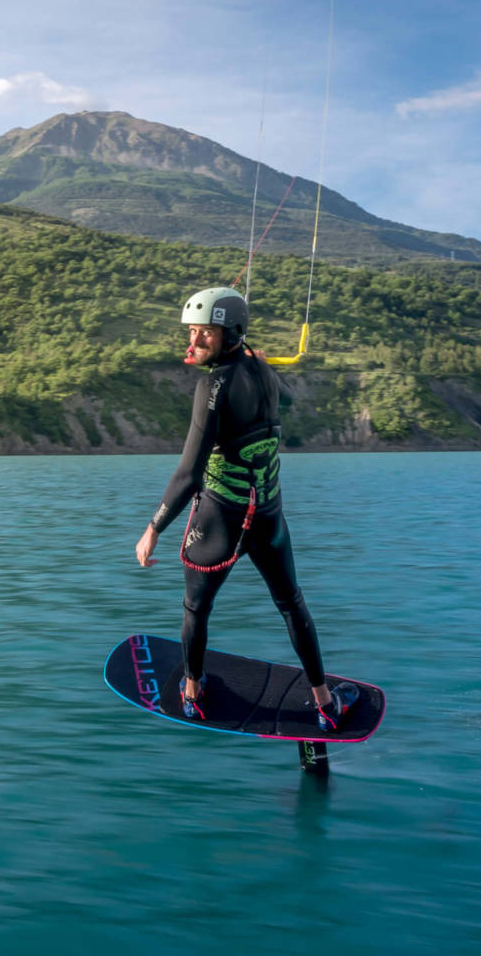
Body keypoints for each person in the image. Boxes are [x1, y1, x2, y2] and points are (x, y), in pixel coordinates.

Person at [133, 285, 355, 730]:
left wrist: (154, 526)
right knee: (292, 604)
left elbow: (190, 472)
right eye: (192, 333)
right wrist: (259, 363)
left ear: (231, 332)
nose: (193, 343)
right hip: (269, 518)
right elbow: (287, 398)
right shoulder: (264, 371)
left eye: (204, 334)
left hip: (221, 520)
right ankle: (326, 705)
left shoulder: (211, 386)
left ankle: (193, 693)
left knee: (196, 609)